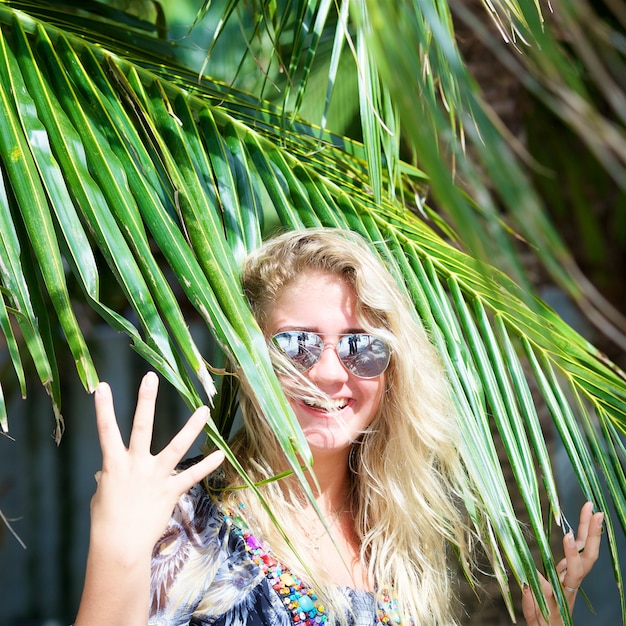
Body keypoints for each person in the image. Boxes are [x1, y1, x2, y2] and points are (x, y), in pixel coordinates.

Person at [73, 228, 604, 626]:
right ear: (248, 357)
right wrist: (117, 550)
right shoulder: (186, 519)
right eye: (296, 344)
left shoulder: (397, 533)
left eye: (360, 345)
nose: (328, 372)